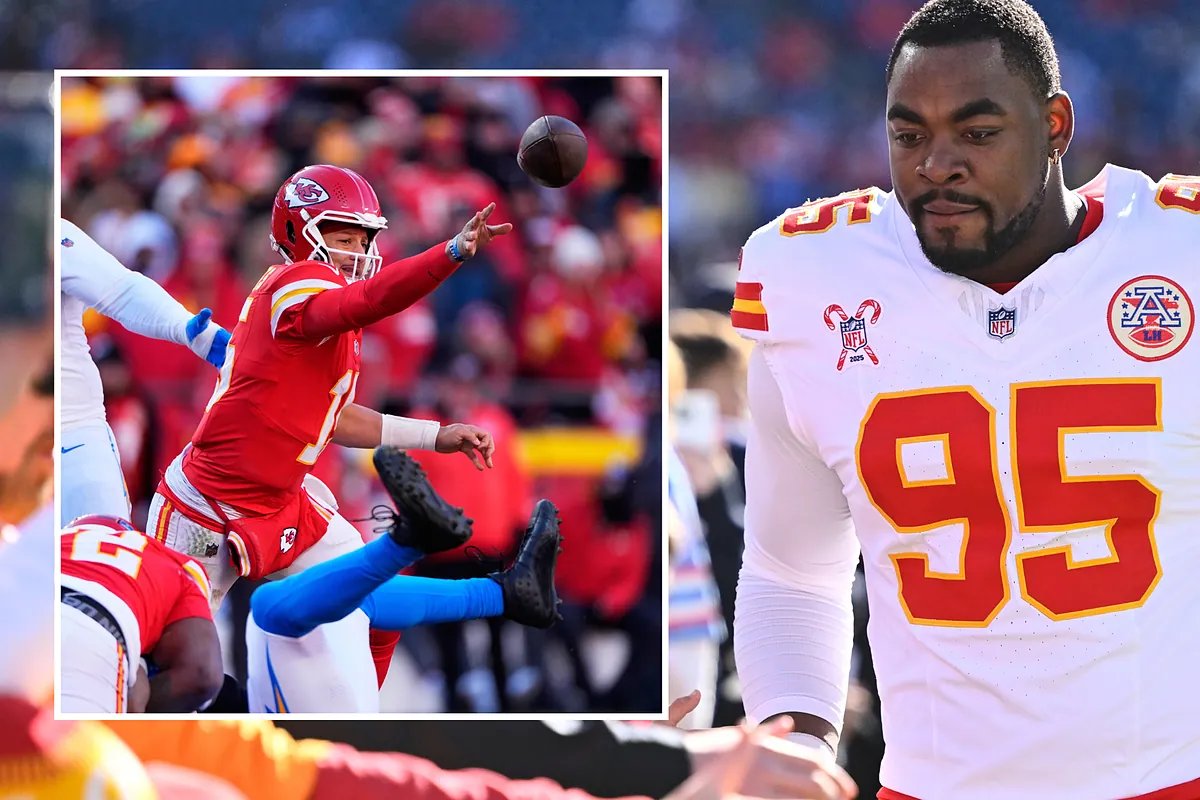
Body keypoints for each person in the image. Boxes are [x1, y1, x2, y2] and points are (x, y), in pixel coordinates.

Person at [732, 1, 1200, 798]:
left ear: (1055, 125)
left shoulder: (1178, 253)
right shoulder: (814, 279)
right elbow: (792, 568)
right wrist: (798, 742)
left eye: (977, 134)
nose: (935, 164)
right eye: (908, 135)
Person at [144, 163, 525, 712]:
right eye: (342, 236)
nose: (357, 250)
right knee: (182, 669)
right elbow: (369, 301)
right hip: (207, 505)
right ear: (301, 233)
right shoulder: (294, 282)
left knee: (365, 595)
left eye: (363, 238)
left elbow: (335, 417)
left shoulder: (326, 315)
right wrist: (451, 254)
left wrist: (438, 436)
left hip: (284, 500)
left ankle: (501, 595)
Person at [245, 449, 562, 713]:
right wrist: (406, 544)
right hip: (320, 749)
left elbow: (374, 600)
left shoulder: (349, 608)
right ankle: (488, 588)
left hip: (339, 735)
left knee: (346, 600)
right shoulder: (275, 611)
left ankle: (501, 593)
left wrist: (502, 595)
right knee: (270, 606)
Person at [59, 218, 230, 524]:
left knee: (101, 561)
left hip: (70, 431)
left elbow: (120, 291)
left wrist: (194, 333)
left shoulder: (47, 232)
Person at [60, 514, 222, 713]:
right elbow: (202, 675)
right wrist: (139, 689)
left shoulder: (57, 541)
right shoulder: (171, 562)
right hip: (97, 633)